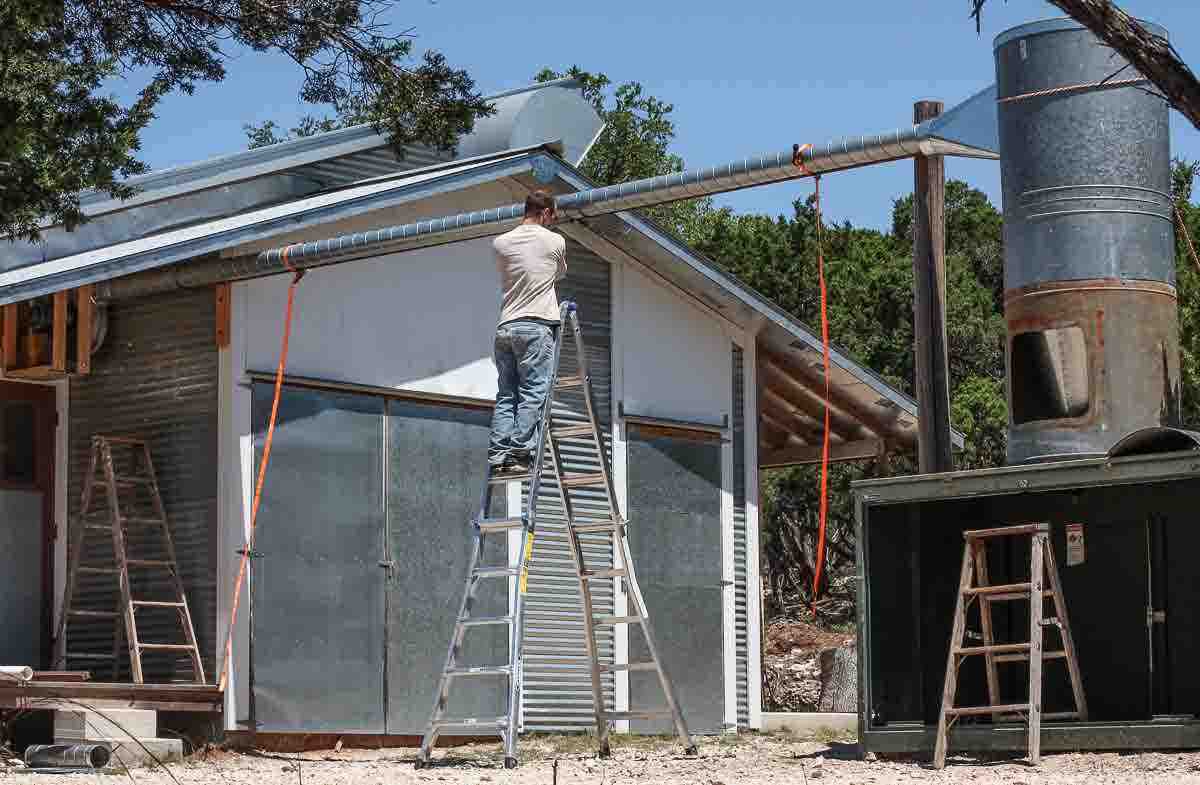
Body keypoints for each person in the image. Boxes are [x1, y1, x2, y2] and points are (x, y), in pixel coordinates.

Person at [488, 190, 567, 476]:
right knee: (534, 391)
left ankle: (498, 455)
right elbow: (558, 273)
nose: (552, 221)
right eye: (552, 216)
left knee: (507, 393)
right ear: (545, 213)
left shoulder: (500, 243)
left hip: (506, 327)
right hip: (536, 326)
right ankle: (520, 453)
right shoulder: (555, 241)